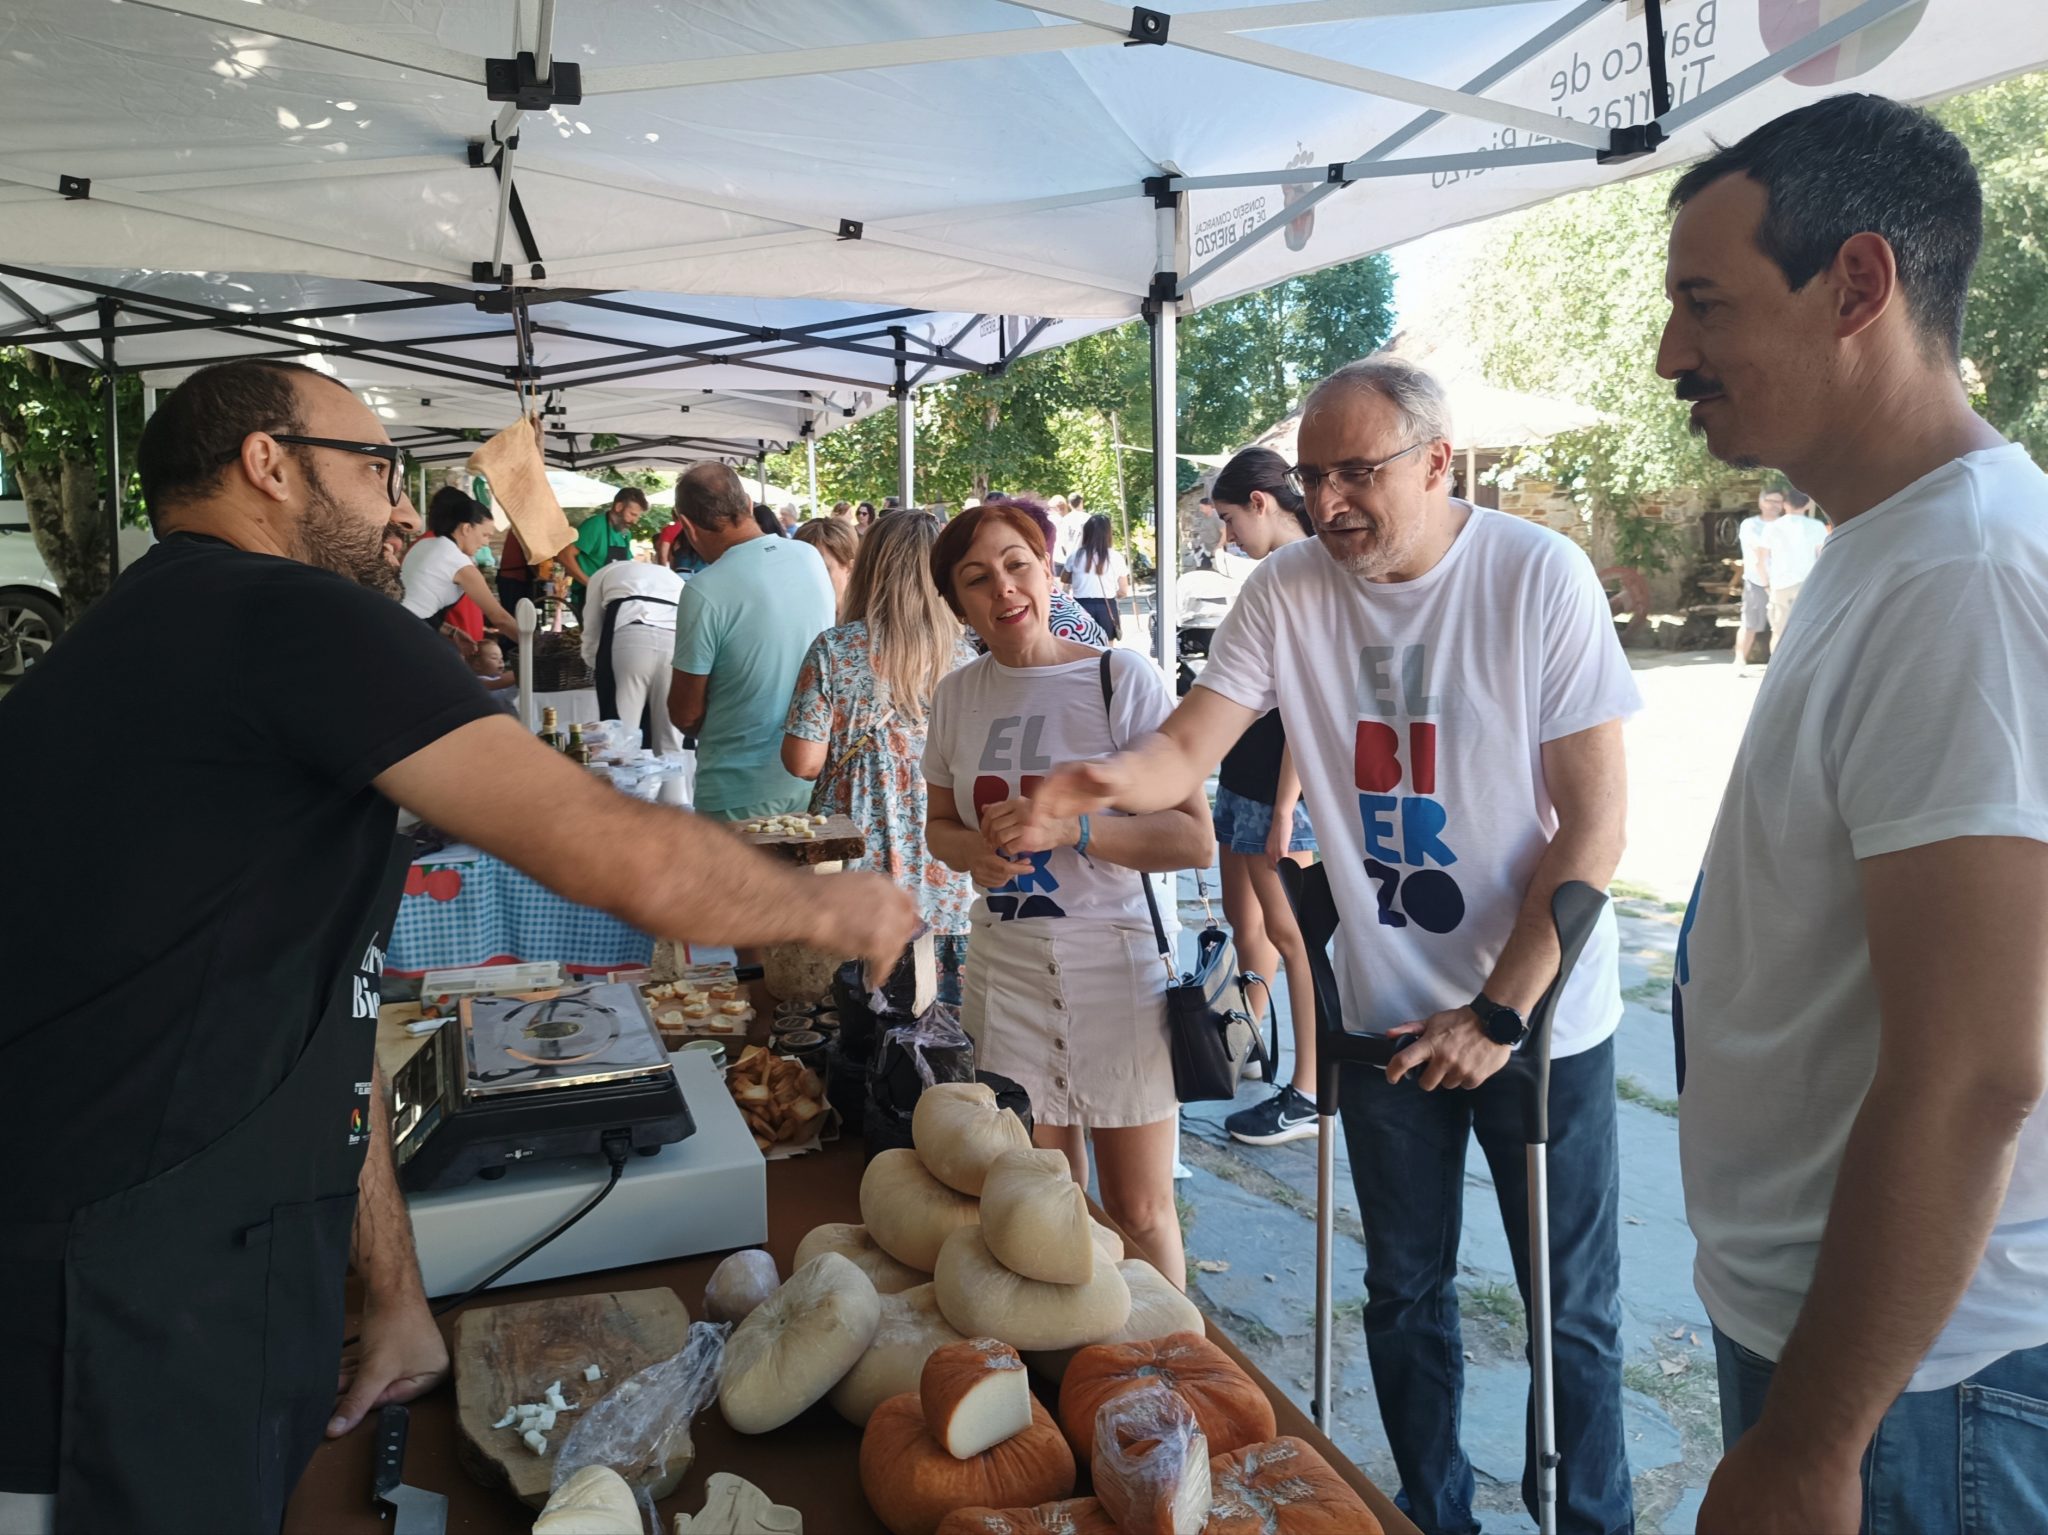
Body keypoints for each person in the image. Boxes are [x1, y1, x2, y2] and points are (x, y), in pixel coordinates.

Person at [0, 359, 919, 1535]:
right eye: (375, 465)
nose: (398, 504)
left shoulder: (168, 620)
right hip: (114, 1287)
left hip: (202, 1247)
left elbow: (330, 1001)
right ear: (266, 465)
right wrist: (835, 906)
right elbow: (606, 846)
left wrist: (394, 1288)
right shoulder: (277, 608)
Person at [1029, 356, 1641, 1535]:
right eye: (1313, 477)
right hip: (1377, 1005)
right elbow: (1185, 747)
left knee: (1569, 1310)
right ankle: (1429, 1510)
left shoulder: (1534, 576)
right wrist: (1090, 783)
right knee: (1402, 1290)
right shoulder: (1289, 589)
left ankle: (1588, 1517)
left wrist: (1498, 1013)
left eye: (1357, 472)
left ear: (1435, 460)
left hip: (1538, 1011)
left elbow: (1594, 824)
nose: (1330, 501)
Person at [1657, 94, 2048, 1532]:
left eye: (1705, 302)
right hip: (1859, 1348)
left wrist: (1815, 1440)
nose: (1670, 355)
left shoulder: (1966, 573)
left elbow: (1975, 1072)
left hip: (1910, 1387)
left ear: (1860, 286)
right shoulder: (1893, 544)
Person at [923, 502, 1213, 1282]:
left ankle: (1165, 1375)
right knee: (1042, 1202)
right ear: (959, 605)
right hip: (1006, 970)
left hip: (1116, 970)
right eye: (977, 579)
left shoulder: (1122, 678)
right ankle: (1079, 1368)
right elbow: (940, 829)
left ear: (1050, 571)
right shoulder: (955, 697)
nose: (1004, 589)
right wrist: (973, 855)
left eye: (1018, 564)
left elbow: (1192, 837)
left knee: (1141, 1207)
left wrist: (1074, 830)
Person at [784, 512, 976, 1002]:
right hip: (947, 867)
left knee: (852, 1017)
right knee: (941, 1020)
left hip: (856, 865)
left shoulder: (834, 650)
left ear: (869, 567)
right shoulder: (968, 660)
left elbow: (804, 762)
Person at [1203, 448, 1322, 1147]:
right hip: (1247, 778)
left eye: (1227, 519)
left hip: (1283, 786)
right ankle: (1254, 1041)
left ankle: (1308, 1088)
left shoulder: (1306, 575)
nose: (1227, 537)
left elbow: (1313, 704)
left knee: (1297, 938)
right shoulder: (1278, 576)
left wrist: (1285, 806)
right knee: (1258, 929)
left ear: (1260, 502)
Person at [667, 462, 838, 822]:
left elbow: (686, 713)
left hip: (735, 792)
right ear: (747, 502)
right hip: (812, 778)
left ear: (686, 525)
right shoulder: (809, 557)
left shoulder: (703, 590)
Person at [582, 551, 686, 754]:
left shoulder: (602, 574)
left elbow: (592, 626)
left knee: (622, 737)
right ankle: (675, 785)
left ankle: (623, 784)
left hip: (631, 637)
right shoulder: (672, 578)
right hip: (674, 642)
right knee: (670, 744)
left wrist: (593, 662)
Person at [399, 486, 519, 645]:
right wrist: (538, 644)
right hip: (412, 636)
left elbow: (416, 605)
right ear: (467, 528)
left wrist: (451, 631)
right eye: (485, 535)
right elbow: (500, 618)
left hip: (398, 623)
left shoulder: (426, 544)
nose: (486, 543)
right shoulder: (459, 563)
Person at [1757, 486, 1828, 636]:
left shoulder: (1772, 527)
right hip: (1808, 583)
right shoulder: (1817, 526)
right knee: (1807, 632)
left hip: (1780, 582)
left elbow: (1761, 560)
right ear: (1808, 504)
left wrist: (1765, 583)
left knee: (1779, 633)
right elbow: (1823, 558)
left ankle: (1777, 660)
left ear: (1785, 504)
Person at [570, 487, 647, 611]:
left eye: (637, 517)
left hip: (612, 595)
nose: (635, 521)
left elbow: (625, 565)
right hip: (588, 595)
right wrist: (590, 583)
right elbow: (564, 555)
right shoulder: (595, 525)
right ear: (619, 507)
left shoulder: (625, 533)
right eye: (632, 514)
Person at [1733, 487, 1783, 670]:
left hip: (1783, 582)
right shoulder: (1750, 524)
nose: (1774, 505)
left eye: (1778, 502)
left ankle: (1779, 666)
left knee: (1782, 626)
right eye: (1770, 501)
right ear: (1761, 502)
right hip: (1756, 581)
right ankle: (1739, 660)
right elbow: (1757, 549)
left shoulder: (1785, 525)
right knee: (1750, 623)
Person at [1066, 513, 1129, 641]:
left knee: (1082, 647)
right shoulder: (1116, 557)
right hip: (1106, 607)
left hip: (1080, 607)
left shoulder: (1075, 556)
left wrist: (1081, 580)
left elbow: (1064, 579)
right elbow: (1123, 591)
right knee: (1107, 649)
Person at [792, 515, 859, 621]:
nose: (810, 579)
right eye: (800, 570)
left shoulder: (868, 627)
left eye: (822, 570)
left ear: (850, 569)